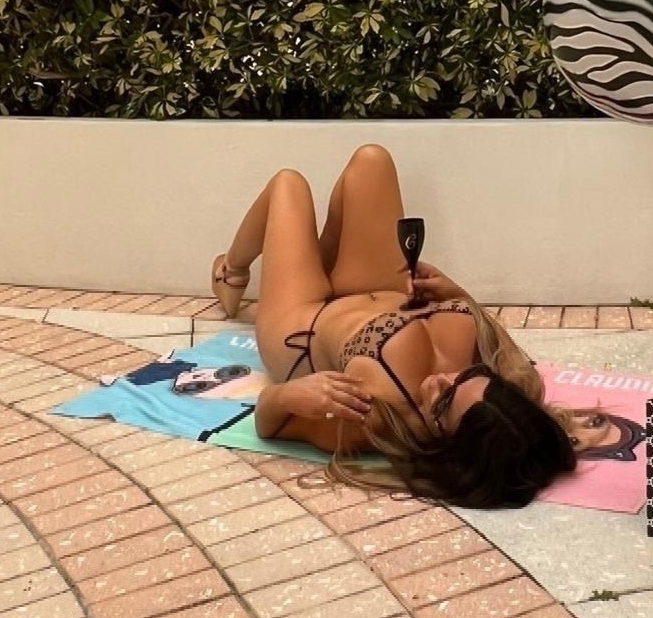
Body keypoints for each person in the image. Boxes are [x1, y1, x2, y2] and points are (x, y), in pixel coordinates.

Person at [210, 144, 576, 508]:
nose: (444, 378)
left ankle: (231, 271)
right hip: (382, 288)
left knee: (289, 185)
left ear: (448, 446)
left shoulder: (374, 422)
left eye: (444, 402)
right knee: (372, 161)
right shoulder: (513, 384)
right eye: (468, 375)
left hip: (304, 328)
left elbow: (268, 423)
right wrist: (456, 294)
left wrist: (290, 395)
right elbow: (480, 334)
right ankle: (321, 257)